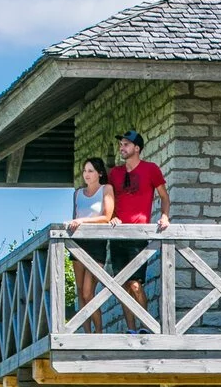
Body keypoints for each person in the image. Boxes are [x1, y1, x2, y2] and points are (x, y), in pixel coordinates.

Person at [107, 129, 171, 332]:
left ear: (137, 148)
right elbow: (107, 201)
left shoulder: (150, 169)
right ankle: (131, 329)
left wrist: (164, 216)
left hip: (138, 234)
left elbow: (164, 196)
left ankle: (146, 326)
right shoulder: (114, 173)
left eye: (126, 144)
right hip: (117, 234)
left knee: (135, 284)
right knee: (122, 285)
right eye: (121, 145)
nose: (122, 148)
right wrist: (111, 217)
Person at [67, 156, 114, 334]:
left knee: (88, 291)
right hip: (78, 243)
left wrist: (82, 221)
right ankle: (86, 332)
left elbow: (106, 217)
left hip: (96, 243)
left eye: (91, 171)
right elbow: (74, 216)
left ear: (99, 173)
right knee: (79, 290)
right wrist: (75, 222)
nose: (86, 174)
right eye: (85, 171)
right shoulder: (78, 193)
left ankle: (99, 331)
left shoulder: (106, 189)